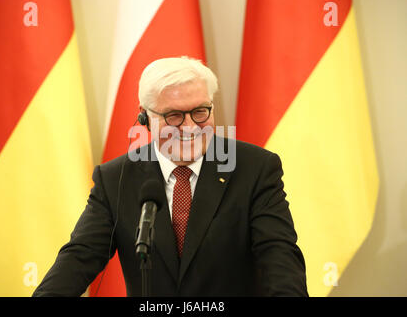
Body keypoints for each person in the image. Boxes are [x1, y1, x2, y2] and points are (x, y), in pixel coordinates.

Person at [33, 57, 308, 296]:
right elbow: (78, 258)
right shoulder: (116, 178)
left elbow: (279, 257)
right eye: (174, 116)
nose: (190, 127)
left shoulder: (254, 168)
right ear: (145, 118)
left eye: (200, 112)